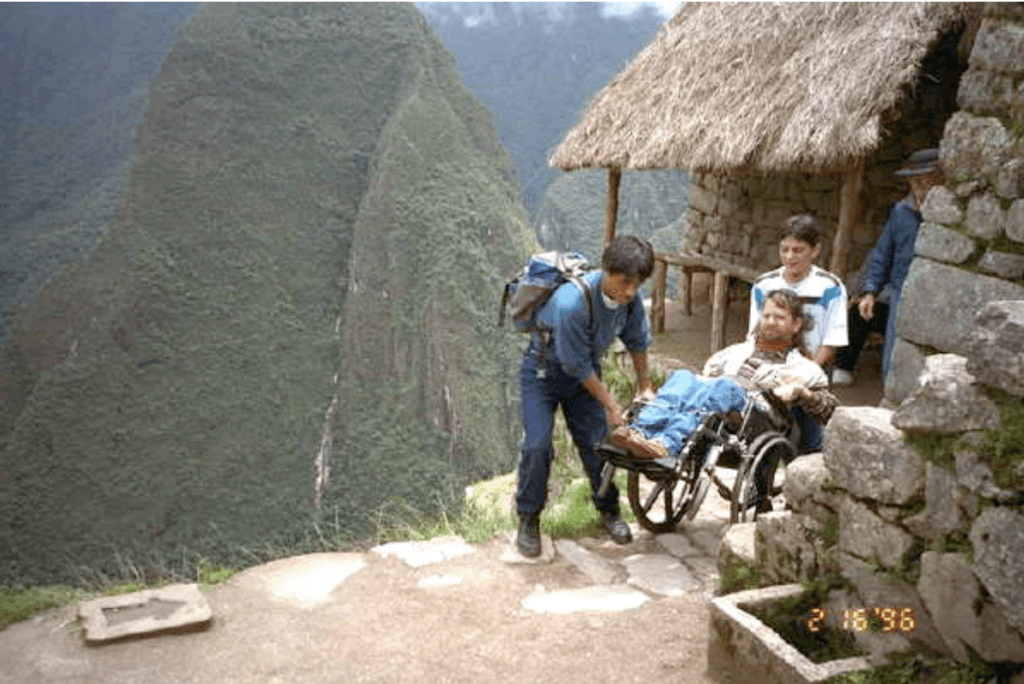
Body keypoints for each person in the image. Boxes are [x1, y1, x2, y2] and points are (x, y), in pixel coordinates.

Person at [516, 234, 655, 558]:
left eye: (638, 283)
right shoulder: (571, 303)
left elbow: (637, 339)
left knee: (598, 445)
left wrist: (644, 384)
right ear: (606, 270)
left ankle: (609, 510)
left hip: (584, 377)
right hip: (543, 373)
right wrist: (611, 404)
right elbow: (574, 363)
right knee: (537, 445)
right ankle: (528, 518)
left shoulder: (628, 299)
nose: (631, 291)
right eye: (625, 282)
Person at [612, 289, 837, 459]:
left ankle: (666, 444)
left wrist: (800, 391)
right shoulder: (737, 351)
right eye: (766, 316)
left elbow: (830, 409)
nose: (770, 322)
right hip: (714, 404)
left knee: (724, 387)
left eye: (779, 318)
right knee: (682, 376)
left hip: (752, 417)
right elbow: (707, 374)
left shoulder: (805, 368)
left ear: (796, 325)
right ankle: (639, 432)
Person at [833, 148, 944, 385]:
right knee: (893, 357)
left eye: (927, 180)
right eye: (915, 181)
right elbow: (883, 254)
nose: (921, 187)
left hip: (936, 297)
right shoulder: (901, 212)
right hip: (900, 293)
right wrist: (870, 291)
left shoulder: (949, 216)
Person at [748, 215, 849, 370]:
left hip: (815, 367)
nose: (789, 257)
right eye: (784, 249)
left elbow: (833, 337)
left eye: (798, 250)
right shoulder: (764, 284)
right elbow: (755, 332)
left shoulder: (830, 287)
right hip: (769, 367)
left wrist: (811, 370)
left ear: (815, 251)